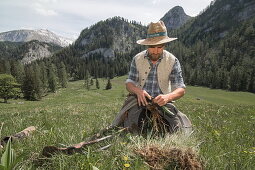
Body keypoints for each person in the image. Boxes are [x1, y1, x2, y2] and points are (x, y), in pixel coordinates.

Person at [112, 21, 192, 134]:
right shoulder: (137, 59)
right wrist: (138, 91)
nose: (155, 51)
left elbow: (181, 89)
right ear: (147, 45)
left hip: (163, 103)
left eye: (159, 47)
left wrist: (168, 97)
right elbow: (129, 83)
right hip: (139, 101)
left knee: (177, 128)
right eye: (152, 47)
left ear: (165, 45)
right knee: (130, 127)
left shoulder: (173, 61)